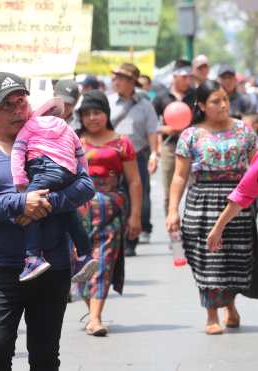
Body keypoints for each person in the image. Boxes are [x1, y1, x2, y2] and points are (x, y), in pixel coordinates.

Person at [0, 72, 95, 371]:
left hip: (53, 265)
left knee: (45, 357)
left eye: (22, 102)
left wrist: (45, 203)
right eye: (8, 105)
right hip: (2, 268)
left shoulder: (51, 138)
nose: (18, 110)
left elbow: (85, 185)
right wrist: (20, 202)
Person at [165, 80, 257, 335]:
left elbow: (254, 171)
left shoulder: (245, 132)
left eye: (225, 99)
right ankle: (211, 314)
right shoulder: (190, 135)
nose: (223, 105)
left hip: (237, 204)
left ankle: (230, 305)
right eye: (216, 101)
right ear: (202, 105)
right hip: (201, 203)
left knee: (234, 260)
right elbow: (180, 176)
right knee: (207, 260)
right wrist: (173, 210)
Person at [75, 90, 142, 336]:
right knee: (79, 264)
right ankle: (91, 310)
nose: (93, 118)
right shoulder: (73, 141)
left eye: (98, 112)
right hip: (76, 213)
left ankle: (95, 318)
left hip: (111, 212)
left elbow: (134, 181)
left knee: (103, 262)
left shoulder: (121, 143)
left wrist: (135, 216)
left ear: (107, 114)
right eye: (87, 113)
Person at [10, 102, 96, 282]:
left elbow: (17, 151)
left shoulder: (29, 126)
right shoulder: (66, 127)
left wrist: (21, 182)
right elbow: (80, 153)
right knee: (70, 213)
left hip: (42, 168)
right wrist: (82, 174)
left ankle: (33, 257)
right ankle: (85, 254)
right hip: (68, 172)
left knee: (30, 206)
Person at [108, 63, 158, 253]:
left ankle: (131, 240)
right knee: (113, 197)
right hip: (112, 157)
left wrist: (154, 154)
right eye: (115, 78)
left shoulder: (145, 106)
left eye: (120, 78)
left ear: (131, 82)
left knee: (137, 198)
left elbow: (152, 131)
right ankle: (115, 238)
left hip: (137, 156)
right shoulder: (108, 102)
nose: (116, 82)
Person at [153, 59, 196, 217]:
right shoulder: (161, 97)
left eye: (190, 76)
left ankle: (191, 224)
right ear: (175, 76)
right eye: (184, 76)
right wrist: (164, 129)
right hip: (170, 148)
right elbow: (150, 124)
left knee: (194, 189)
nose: (187, 80)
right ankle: (172, 225)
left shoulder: (196, 96)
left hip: (194, 148)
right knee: (169, 190)